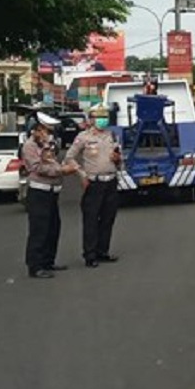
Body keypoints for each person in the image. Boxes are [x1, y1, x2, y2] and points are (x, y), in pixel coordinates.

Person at [65, 105, 122, 268]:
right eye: (99, 117)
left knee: (108, 218)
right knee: (91, 219)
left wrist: (118, 159)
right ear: (91, 119)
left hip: (110, 181)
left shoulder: (112, 136)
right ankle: (90, 254)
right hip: (93, 182)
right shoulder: (83, 137)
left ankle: (102, 251)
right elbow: (69, 158)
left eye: (105, 117)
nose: (102, 120)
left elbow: (119, 160)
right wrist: (81, 174)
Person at [22, 113, 79, 279]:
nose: (49, 133)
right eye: (46, 130)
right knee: (39, 230)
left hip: (52, 192)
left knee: (53, 228)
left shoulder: (48, 144)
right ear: (37, 130)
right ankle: (35, 266)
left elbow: (52, 162)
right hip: (39, 191)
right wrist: (62, 170)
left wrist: (63, 166)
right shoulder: (30, 146)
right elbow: (38, 168)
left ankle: (48, 261)